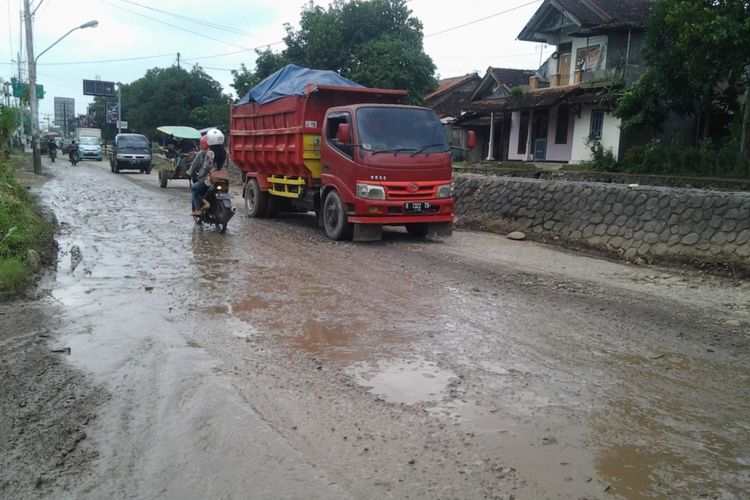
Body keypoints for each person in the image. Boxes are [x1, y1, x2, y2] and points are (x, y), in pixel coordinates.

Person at [190, 128, 227, 216]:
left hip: (211, 179)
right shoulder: (225, 152)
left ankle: (200, 208)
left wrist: (200, 176)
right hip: (223, 178)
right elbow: (226, 166)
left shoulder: (210, 153)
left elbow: (206, 168)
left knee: (194, 189)